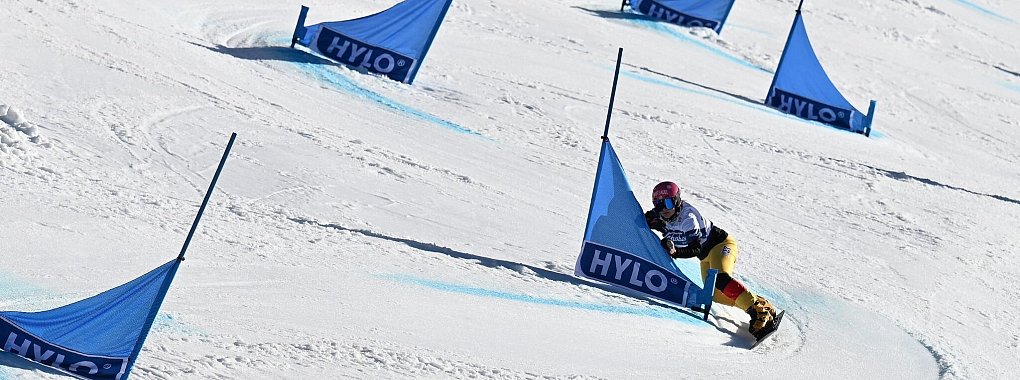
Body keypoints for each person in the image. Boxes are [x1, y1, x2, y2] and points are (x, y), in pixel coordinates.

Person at [644, 181, 779, 339]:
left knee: (721, 278)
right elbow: (638, 218)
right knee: (714, 295)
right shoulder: (658, 215)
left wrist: (675, 252)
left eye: (668, 203)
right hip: (705, 256)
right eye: (659, 205)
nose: (664, 209)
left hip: (720, 245)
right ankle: (758, 302)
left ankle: (757, 311)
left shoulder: (688, 218)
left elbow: (696, 249)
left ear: (677, 200)